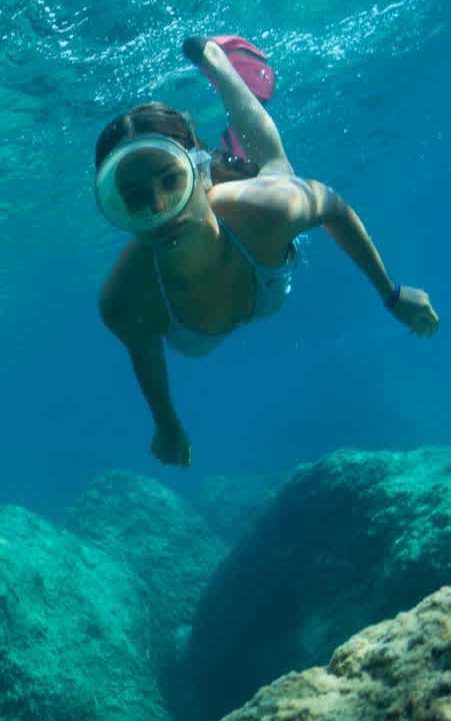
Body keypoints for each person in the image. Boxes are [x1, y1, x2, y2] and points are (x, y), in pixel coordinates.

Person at [96, 36, 439, 467]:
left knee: (273, 165)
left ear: (200, 173)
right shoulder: (125, 300)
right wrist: (167, 425)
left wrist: (391, 293)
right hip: (241, 232)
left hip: (249, 215)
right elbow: (145, 358)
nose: (160, 209)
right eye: (135, 197)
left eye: (171, 180)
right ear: (116, 207)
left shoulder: (267, 210)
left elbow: (332, 206)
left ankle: (219, 65)